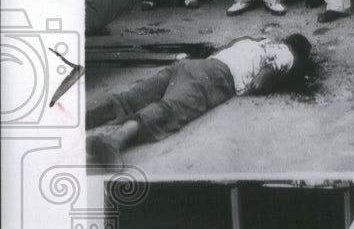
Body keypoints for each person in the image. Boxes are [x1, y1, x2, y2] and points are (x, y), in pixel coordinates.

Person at [85, 34, 312, 167]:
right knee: (169, 110)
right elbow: (258, 84)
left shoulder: (257, 39)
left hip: (194, 64)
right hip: (216, 77)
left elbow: (227, 46)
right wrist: (282, 77)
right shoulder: (287, 56)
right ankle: (113, 141)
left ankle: (77, 119)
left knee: (130, 98)